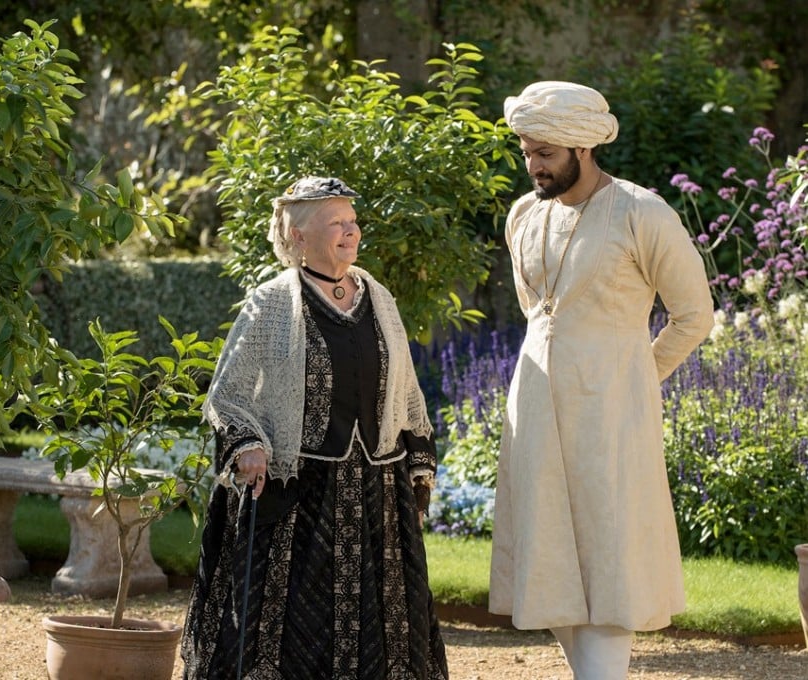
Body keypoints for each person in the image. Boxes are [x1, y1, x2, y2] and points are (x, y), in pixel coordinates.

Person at [181, 176, 449, 679]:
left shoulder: (379, 298)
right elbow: (227, 393)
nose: (351, 232)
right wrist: (249, 446)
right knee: (288, 627)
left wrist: (417, 466)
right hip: (296, 495)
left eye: (353, 222)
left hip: (375, 493)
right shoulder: (271, 304)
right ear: (299, 236)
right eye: (336, 224)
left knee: (385, 626)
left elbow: (407, 394)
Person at [490, 81, 715, 679]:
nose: (533, 164)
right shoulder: (522, 215)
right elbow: (539, 311)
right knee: (548, 557)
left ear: (582, 148)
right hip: (534, 404)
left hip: (613, 413)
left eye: (545, 153)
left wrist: (638, 376)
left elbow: (695, 315)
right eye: (527, 152)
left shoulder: (642, 212)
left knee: (608, 557)